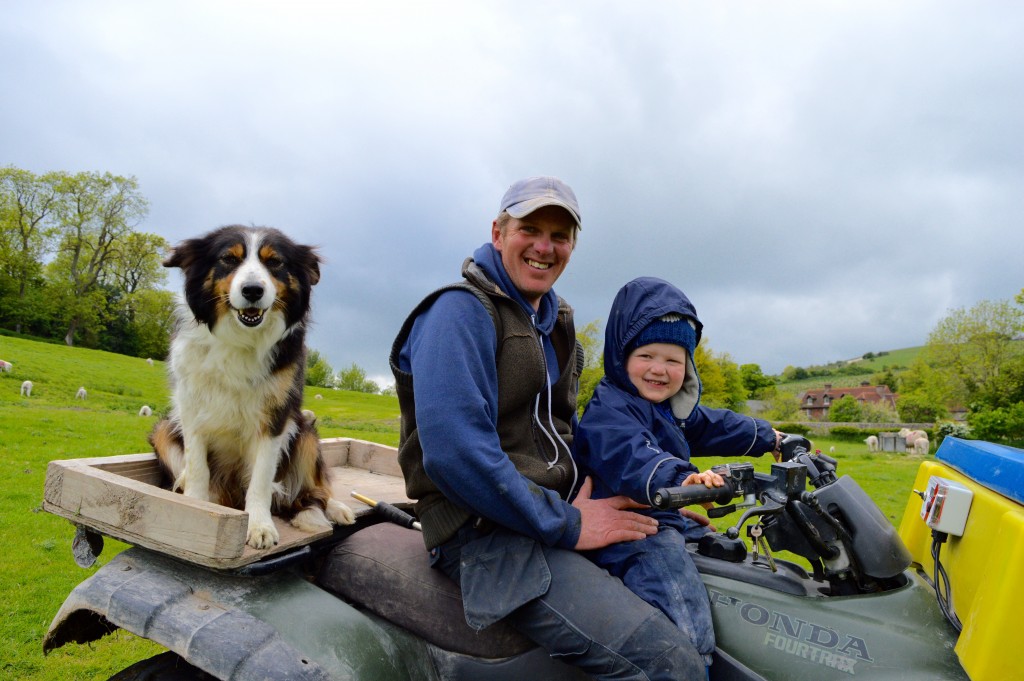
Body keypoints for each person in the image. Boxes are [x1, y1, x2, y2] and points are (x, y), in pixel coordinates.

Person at [390, 178, 708, 679]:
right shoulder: (457, 312)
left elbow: (564, 432)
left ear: (572, 247)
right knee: (669, 665)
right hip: (485, 534)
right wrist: (571, 525)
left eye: (560, 236)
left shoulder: (554, 320)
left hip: (546, 514)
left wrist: (656, 497)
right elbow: (457, 455)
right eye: (529, 229)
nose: (544, 246)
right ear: (498, 232)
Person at [575, 276, 782, 672]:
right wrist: (682, 480)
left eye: (673, 360)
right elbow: (633, 456)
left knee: (727, 552)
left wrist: (767, 436)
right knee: (679, 602)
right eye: (646, 355)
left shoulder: (669, 409)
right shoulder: (609, 413)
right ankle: (691, 663)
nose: (659, 370)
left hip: (665, 513)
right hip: (631, 529)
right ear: (621, 357)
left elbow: (713, 425)